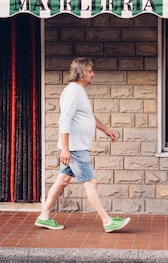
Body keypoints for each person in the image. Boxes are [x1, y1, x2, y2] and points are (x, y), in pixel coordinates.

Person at [35, 57, 131, 233]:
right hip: (75, 148)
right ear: (80, 73)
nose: (93, 74)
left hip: (75, 147)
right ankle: (107, 221)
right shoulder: (73, 91)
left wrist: (106, 130)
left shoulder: (79, 92)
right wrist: (66, 149)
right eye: (89, 71)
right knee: (90, 182)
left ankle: (44, 216)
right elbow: (64, 120)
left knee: (63, 180)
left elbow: (88, 117)